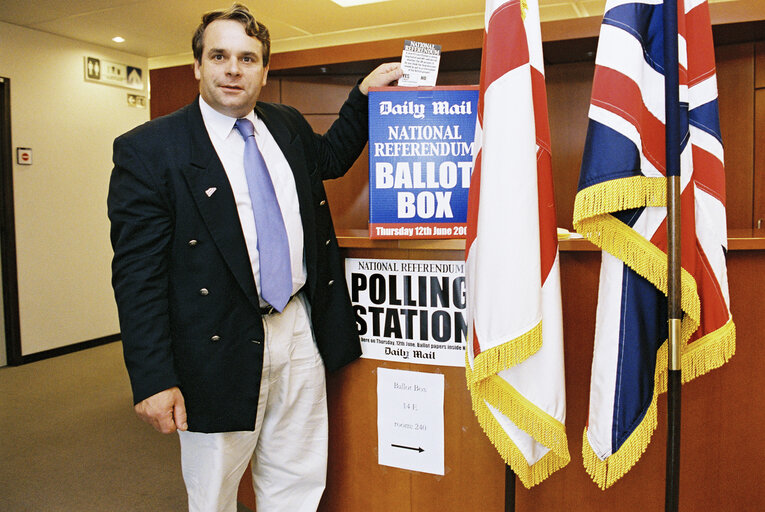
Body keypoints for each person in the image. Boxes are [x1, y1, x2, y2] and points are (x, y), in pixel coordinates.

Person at [107, 4, 402, 511]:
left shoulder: (284, 124)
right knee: (216, 490)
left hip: (296, 327)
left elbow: (328, 157)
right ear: (197, 65)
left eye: (248, 58)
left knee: (297, 476)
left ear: (265, 71)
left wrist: (362, 97)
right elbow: (137, 275)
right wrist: (153, 378)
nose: (232, 69)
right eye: (218, 55)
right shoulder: (150, 149)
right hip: (213, 341)